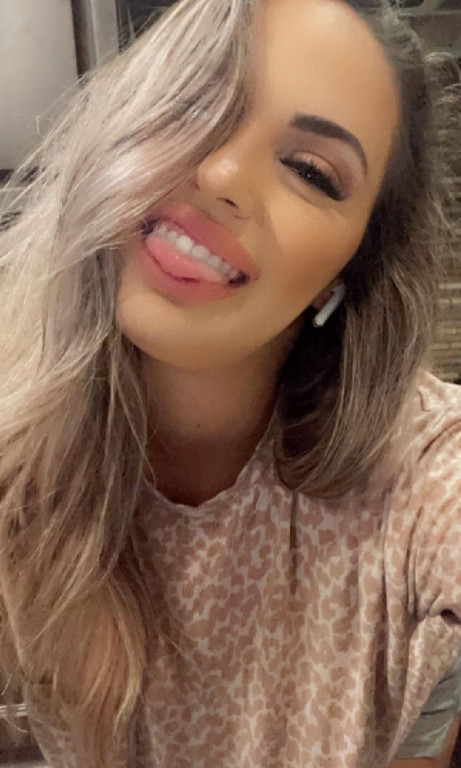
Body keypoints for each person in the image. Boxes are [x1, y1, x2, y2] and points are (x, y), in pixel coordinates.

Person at [0, 0, 460, 766]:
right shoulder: (17, 430)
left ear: (348, 268)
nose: (220, 175)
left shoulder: (420, 470)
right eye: (196, 105)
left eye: (310, 172)